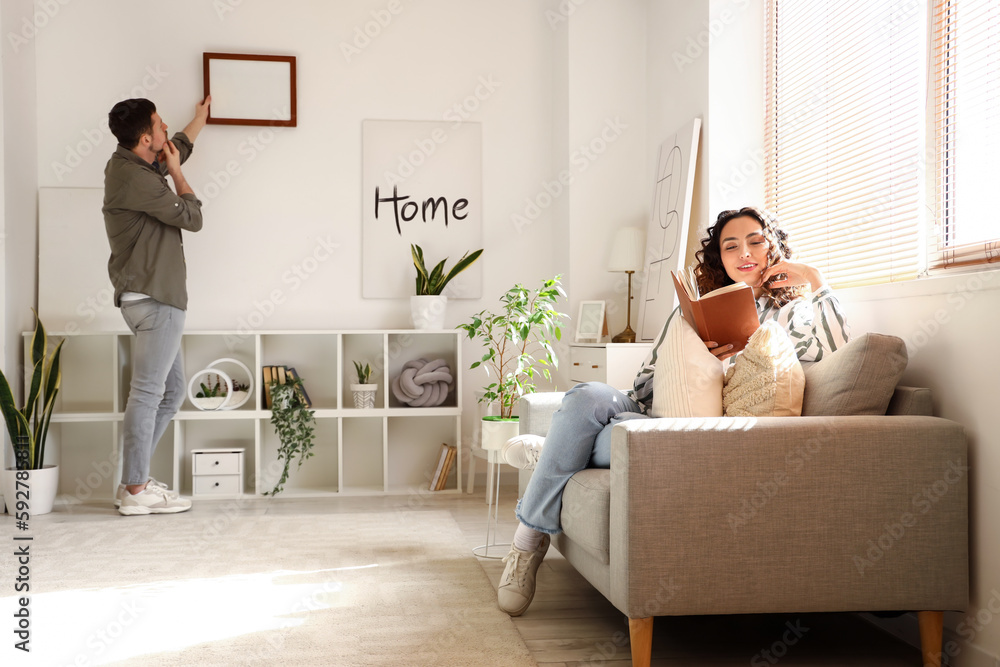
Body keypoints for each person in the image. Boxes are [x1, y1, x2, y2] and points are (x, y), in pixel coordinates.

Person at [496, 206, 850, 616]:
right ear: (719, 257)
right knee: (586, 395)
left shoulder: (789, 313)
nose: (744, 253)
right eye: (730, 246)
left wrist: (815, 280)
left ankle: (537, 508)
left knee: (626, 432)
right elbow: (647, 377)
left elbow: (834, 345)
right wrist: (689, 351)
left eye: (756, 241)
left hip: (680, 429)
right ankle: (541, 506)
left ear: (775, 248)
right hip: (647, 406)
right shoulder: (694, 307)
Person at [103, 96, 211, 516]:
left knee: (171, 391)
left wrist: (198, 121)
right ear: (146, 137)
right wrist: (180, 174)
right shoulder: (140, 181)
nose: (166, 130)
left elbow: (173, 148)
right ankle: (134, 490)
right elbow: (192, 216)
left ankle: (137, 478)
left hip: (149, 298)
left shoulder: (132, 165)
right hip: (155, 299)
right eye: (161, 125)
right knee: (148, 394)